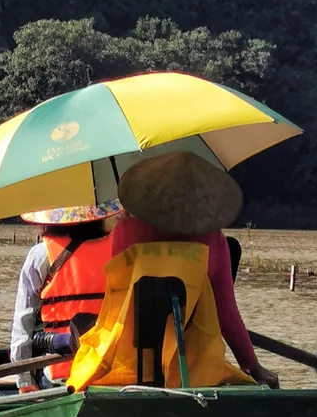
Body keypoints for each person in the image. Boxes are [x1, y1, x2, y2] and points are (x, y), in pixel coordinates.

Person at [103, 151, 279, 389]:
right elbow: (227, 316)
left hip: (130, 366)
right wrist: (253, 367)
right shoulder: (215, 241)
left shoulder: (124, 232)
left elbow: (116, 297)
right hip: (196, 373)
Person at [9, 202, 123, 394]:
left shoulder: (40, 254)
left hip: (61, 376)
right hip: (110, 372)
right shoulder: (119, 250)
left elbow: (23, 321)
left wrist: (24, 379)